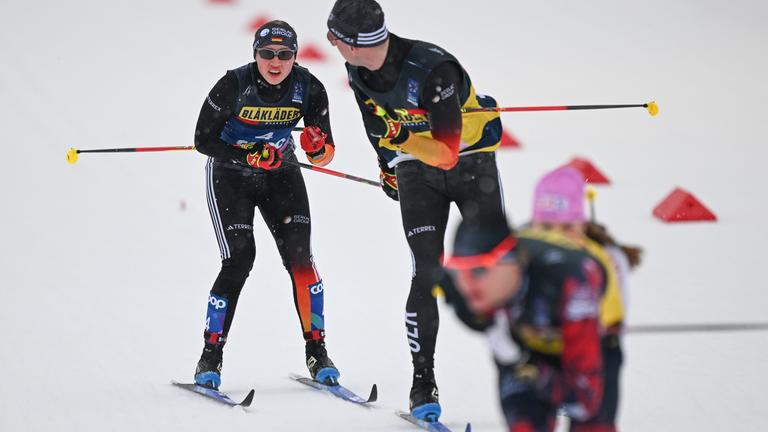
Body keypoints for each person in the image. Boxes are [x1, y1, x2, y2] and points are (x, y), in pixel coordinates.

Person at [326, 0, 506, 420]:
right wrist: (387, 164)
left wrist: (402, 138)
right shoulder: (357, 68)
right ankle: (423, 381)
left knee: (498, 267)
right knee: (426, 270)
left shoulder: (434, 69)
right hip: (415, 171)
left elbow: (445, 154)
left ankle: (534, 370)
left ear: (352, 43)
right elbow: (374, 123)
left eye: (333, 36)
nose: (329, 42)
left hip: (470, 160)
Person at [191, 20, 339, 390]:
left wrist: (316, 146)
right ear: (255, 55)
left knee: (301, 259)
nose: (276, 62)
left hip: (280, 173)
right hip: (229, 174)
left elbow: (325, 156)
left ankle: (317, 352)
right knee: (240, 259)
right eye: (267, 54)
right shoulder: (233, 85)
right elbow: (202, 139)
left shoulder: (309, 88)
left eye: (285, 55)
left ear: (295, 57)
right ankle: (210, 357)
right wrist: (247, 156)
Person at [442, 212, 605, 432]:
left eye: (479, 269)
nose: (467, 284)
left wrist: (523, 361)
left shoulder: (570, 283)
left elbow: (583, 401)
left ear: (510, 262)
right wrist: (517, 359)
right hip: (523, 342)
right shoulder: (463, 290)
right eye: (457, 271)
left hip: (576, 333)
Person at [527, 167, 643, 432]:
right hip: (542, 349)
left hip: (597, 352)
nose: (555, 235)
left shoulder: (606, 257)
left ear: (581, 223)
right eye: (545, 226)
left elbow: (616, 311)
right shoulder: (524, 251)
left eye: (567, 226)